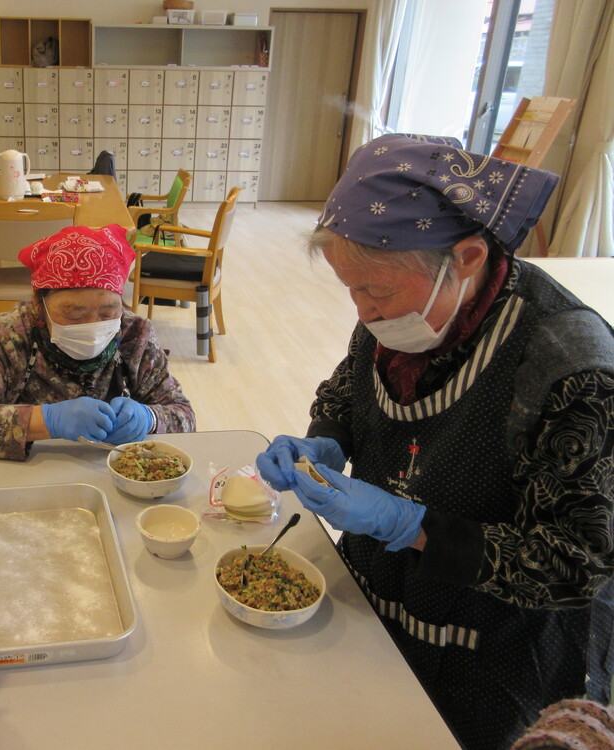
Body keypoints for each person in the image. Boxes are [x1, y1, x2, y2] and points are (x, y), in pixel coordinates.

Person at [255, 133, 614, 750]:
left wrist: (409, 523)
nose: (363, 312)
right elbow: (347, 389)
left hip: (494, 651)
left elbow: (574, 563)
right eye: (350, 290)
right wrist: (326, 439)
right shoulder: (404, 311)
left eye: (376, 291)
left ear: (468, 256)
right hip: (379, 602)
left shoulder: (571, 369)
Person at [0, 224, 195, 460]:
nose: (92, 326)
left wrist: (149, 419)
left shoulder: (135, 335)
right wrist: (46, 421)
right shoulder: (7, 337)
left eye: (107, 312)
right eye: (74, 314)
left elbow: (184, 416)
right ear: (39, 303)